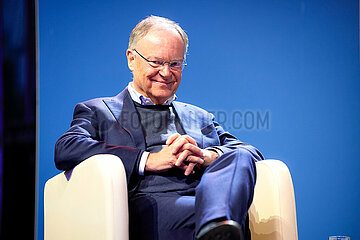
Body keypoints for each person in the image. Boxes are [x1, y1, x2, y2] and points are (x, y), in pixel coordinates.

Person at [55, 15, 264, 240]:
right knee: (219, 220)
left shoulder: (200, 117)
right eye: (156, 62)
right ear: (131, 59)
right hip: (150, 206)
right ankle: (217, 229)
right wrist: (148, 160)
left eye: (175, 64)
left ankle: (217, 225)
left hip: (207, 200)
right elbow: (67, 148)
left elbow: (249, 153)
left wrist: (205, 156)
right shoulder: (99, 111)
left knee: (239, 155)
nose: (166, 73)